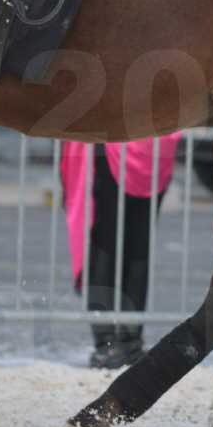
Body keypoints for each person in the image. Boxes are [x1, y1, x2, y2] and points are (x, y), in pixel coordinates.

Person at [59, 135, 180, 369]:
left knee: (113, 248)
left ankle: (112, 342)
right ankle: (123, 340)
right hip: (146, 144)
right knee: (130, 249)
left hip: (131, 142)